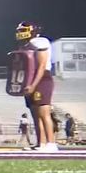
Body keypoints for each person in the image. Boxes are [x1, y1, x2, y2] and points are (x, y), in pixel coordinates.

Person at [15, 21, 58, 152]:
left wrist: (33, 85)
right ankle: (41, 143)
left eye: (23, 30)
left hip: (41, 79)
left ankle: (51, 143)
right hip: (30, 78)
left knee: (44, 113)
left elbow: (41, 66)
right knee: (35, 115)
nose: (20, 33)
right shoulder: (26, 45)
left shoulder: (40, 42)